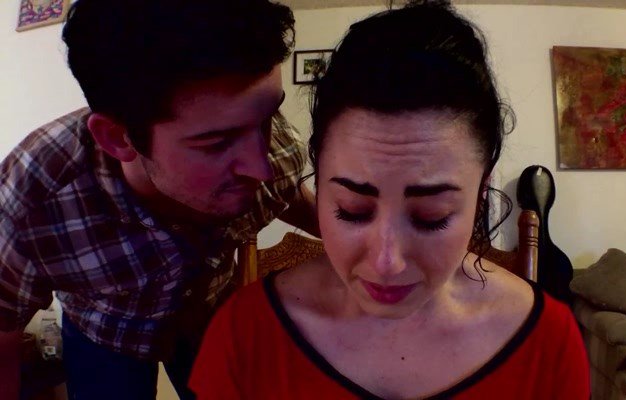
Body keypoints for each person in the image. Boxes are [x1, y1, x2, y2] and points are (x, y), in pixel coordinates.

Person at [189, 1, 590, 399]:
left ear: (481, 193)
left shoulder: (548, 341)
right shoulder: (245, 332)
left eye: (431, 217)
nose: (386, 263)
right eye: (352, 210)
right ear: (319, 184)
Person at [0, 0, 318, 399]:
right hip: (105, 332)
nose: (261, 168)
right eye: (215, 143)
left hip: (211, 312)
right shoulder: (33, 200)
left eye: (268, 117)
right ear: (118, 139)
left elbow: (288, 195)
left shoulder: (277, 150)